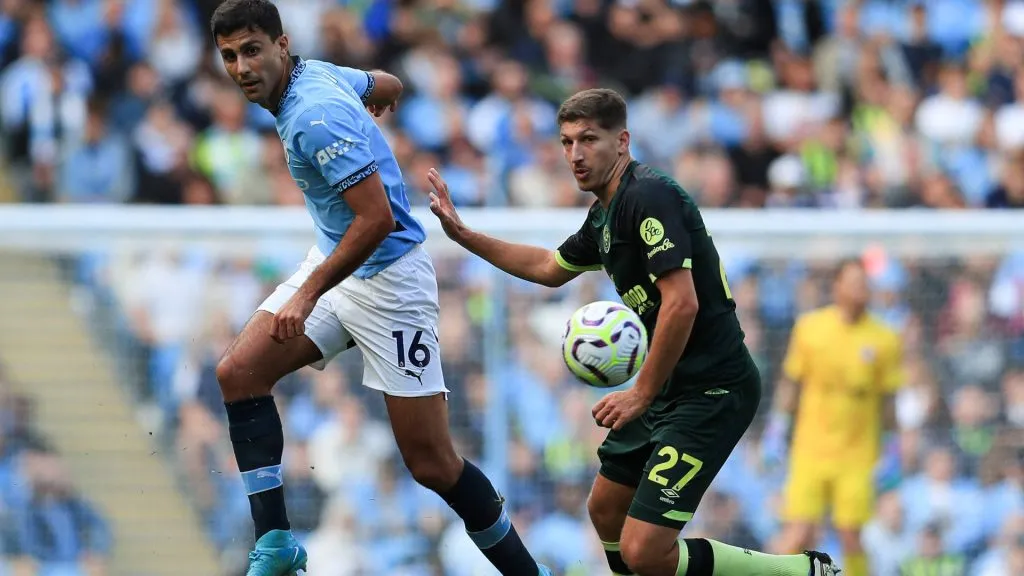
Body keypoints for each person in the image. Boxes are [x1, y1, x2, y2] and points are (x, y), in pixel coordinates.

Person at [425, 87, 841, 576]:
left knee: (646, 550)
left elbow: (682, 304)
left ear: (621, 141)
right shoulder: (605, 213)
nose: (575, 155)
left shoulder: (647, 195)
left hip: (713, 390)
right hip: (668, 389)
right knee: (604, 509)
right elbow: (547, 267)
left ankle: (800, 571)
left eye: (588, 139)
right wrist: (465, 236)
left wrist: (640, 393)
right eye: (566, 142)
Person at [209, 2, 553, 575]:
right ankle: (276, 543)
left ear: (281, 45)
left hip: (391, 282)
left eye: (251, 50)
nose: (241, 67)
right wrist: (378, 98)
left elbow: (377, 221)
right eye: (229, 56)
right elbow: (388, 82)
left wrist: (305, 294)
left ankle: (527, 571)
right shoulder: (317, 73)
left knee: (433, 464)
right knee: (238, 374)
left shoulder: (314, 113)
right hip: (340, 261)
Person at [762, 258, 904, 576]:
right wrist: (776, 430)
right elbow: (791, 384)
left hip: (857, 455)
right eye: (853, 282)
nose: (860, 289)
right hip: (810, 450)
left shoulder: (885, 339)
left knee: (852, 535)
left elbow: (888, 400)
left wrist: (892, 447)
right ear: (836, 286)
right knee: (799, 533)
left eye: (864, 283)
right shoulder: (810, 329)